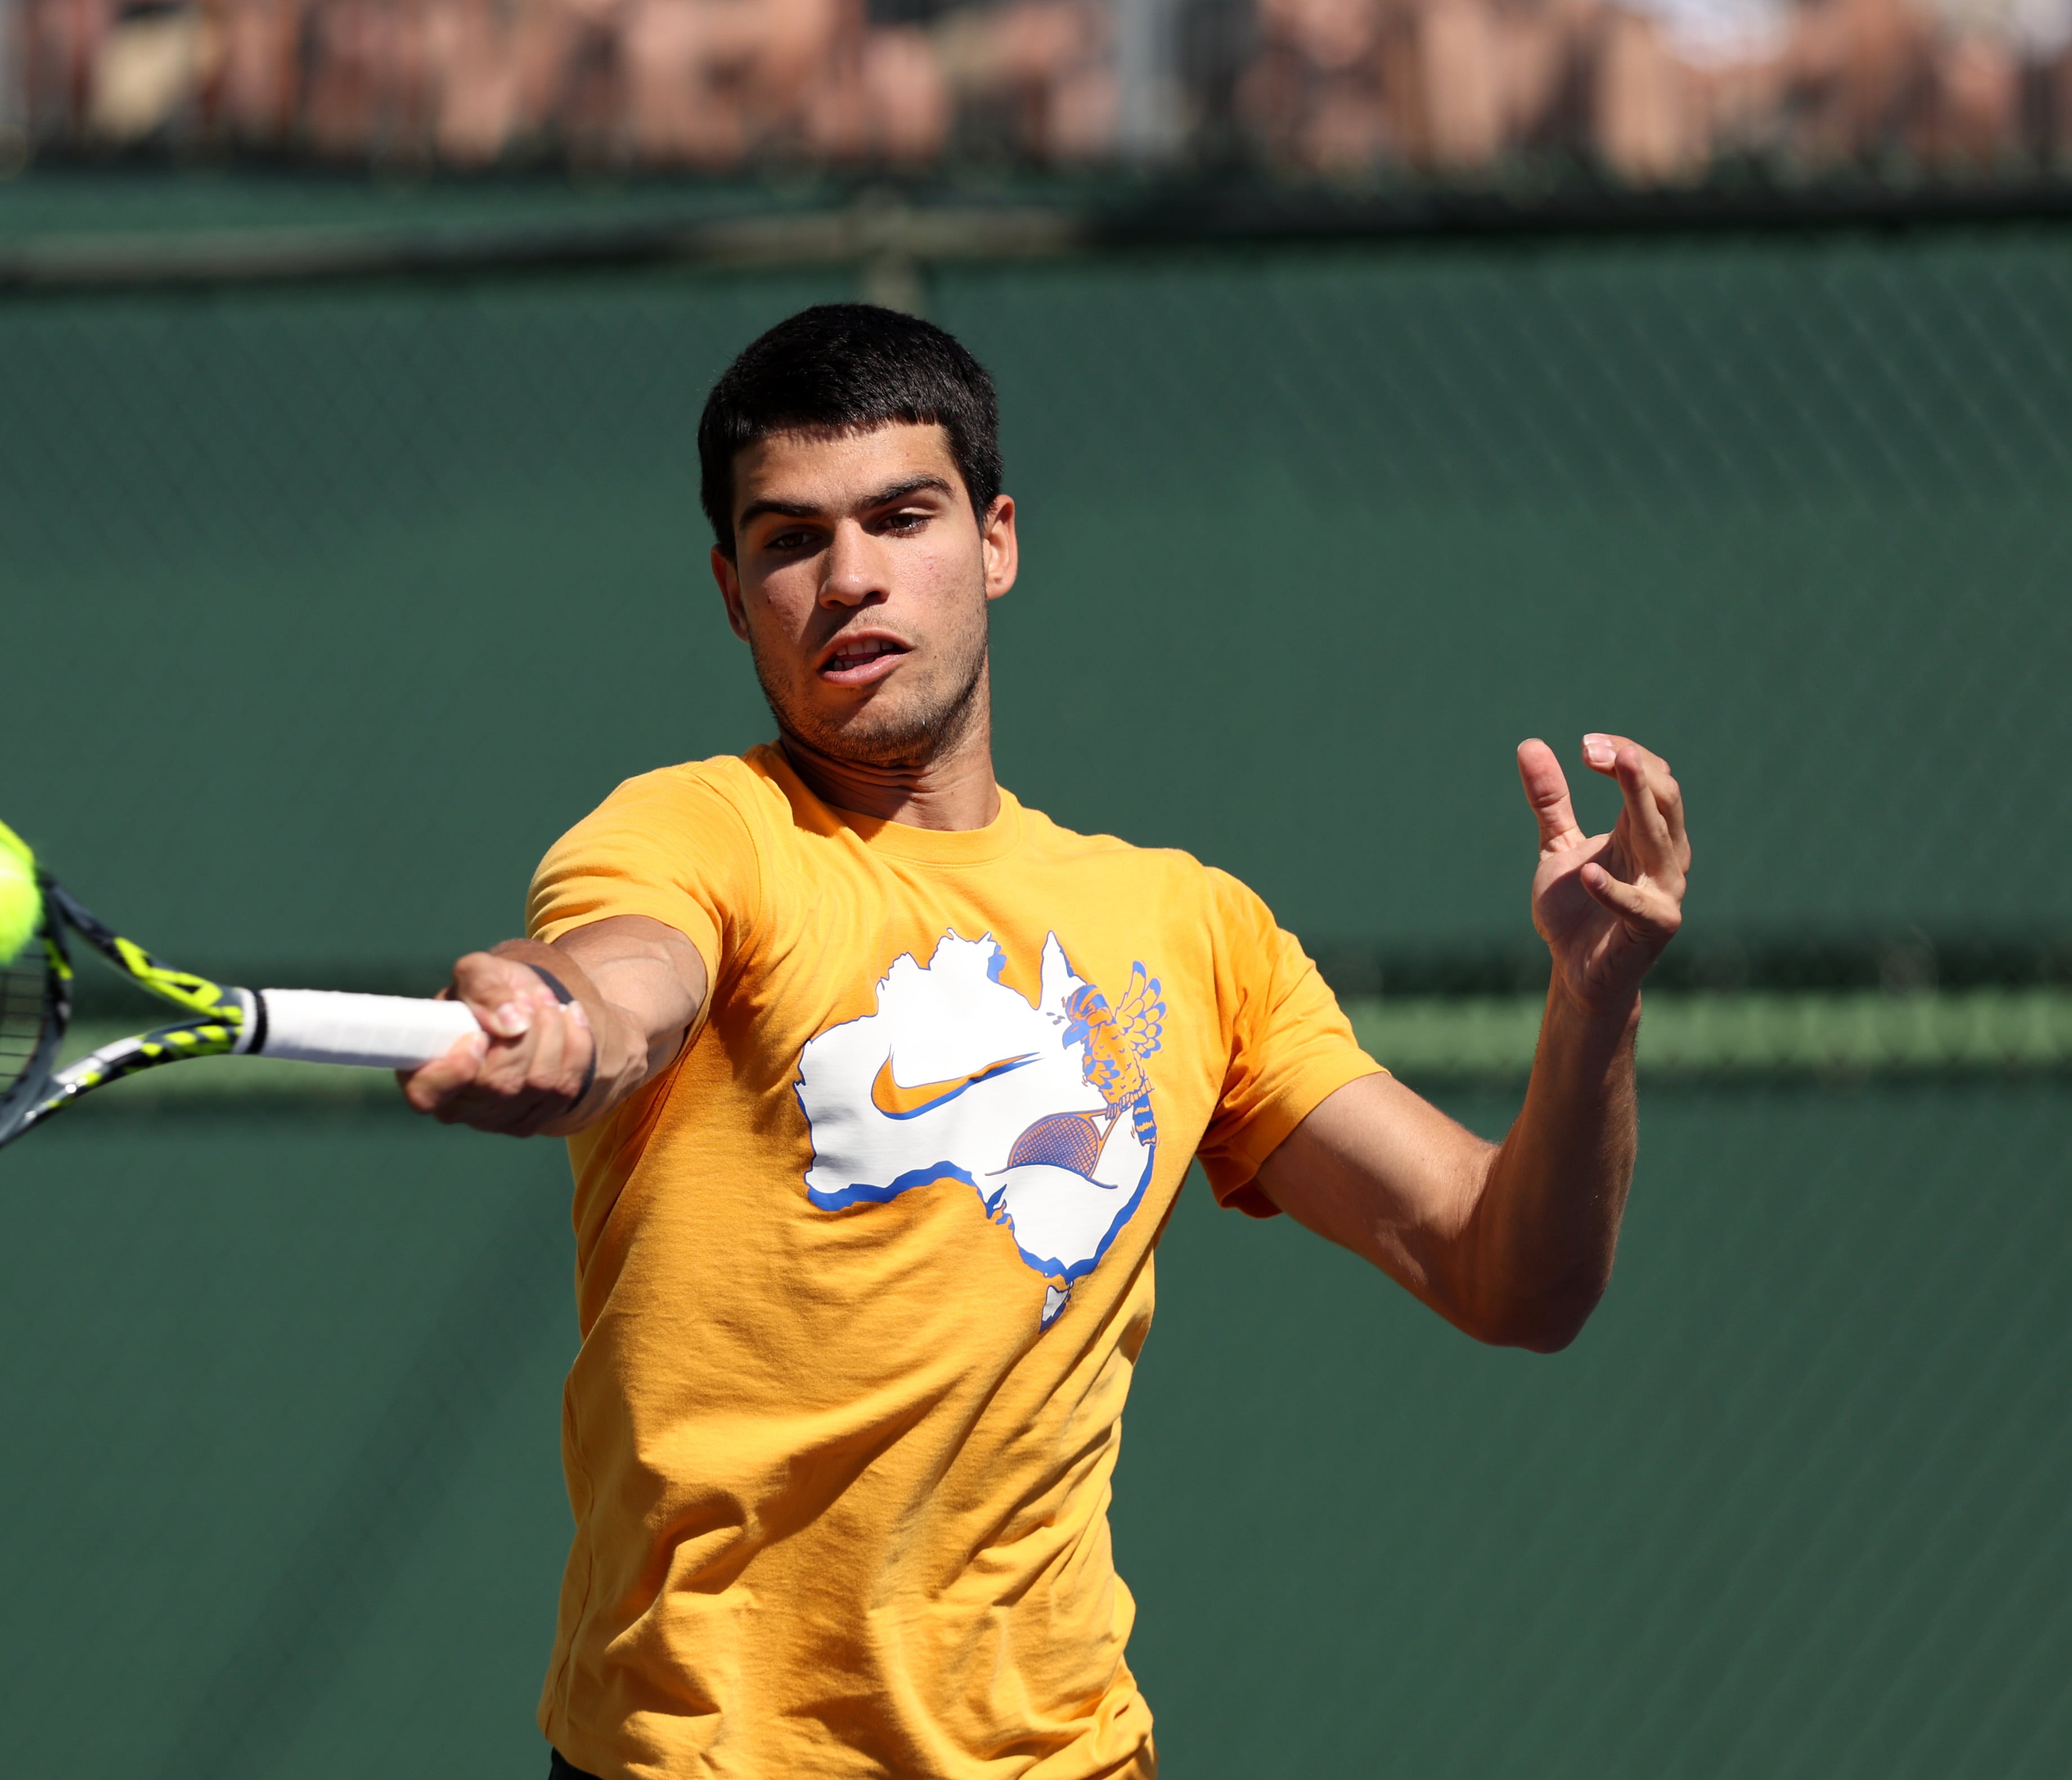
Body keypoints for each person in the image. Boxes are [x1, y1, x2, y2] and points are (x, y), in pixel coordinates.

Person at [398, 303, 1691, 1780]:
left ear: (997, 541)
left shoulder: (1191, 929)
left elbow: (1507, 1272)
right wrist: (557, 1019)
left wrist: (1595, 1010)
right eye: (789, 540)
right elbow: (624, 982)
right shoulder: (698, 834)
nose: (851, 577)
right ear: (730, 587)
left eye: (902, 516)